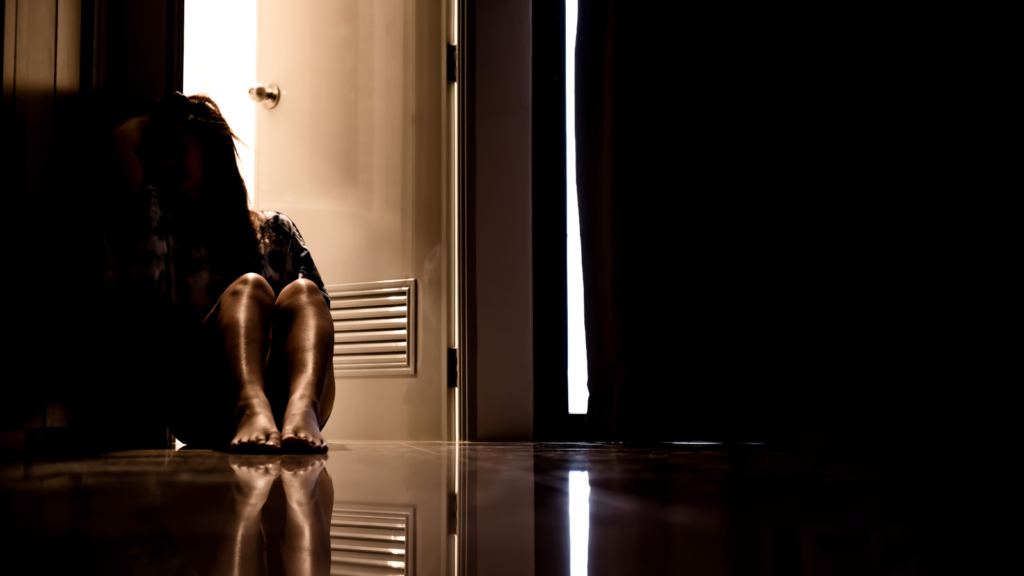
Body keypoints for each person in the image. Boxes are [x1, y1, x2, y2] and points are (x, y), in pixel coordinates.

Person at [106, 92, 334, 453]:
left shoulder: (274, 232)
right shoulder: (159, 229)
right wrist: (148, 123)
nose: (166, 160)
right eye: (159, 151)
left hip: (285, 399)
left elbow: (316, 322)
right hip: (202, 403)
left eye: (177, 147)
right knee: (249, 288)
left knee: (306, 293)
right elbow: (119, 143)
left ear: (210, 150)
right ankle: (249, 407)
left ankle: (303, 408)